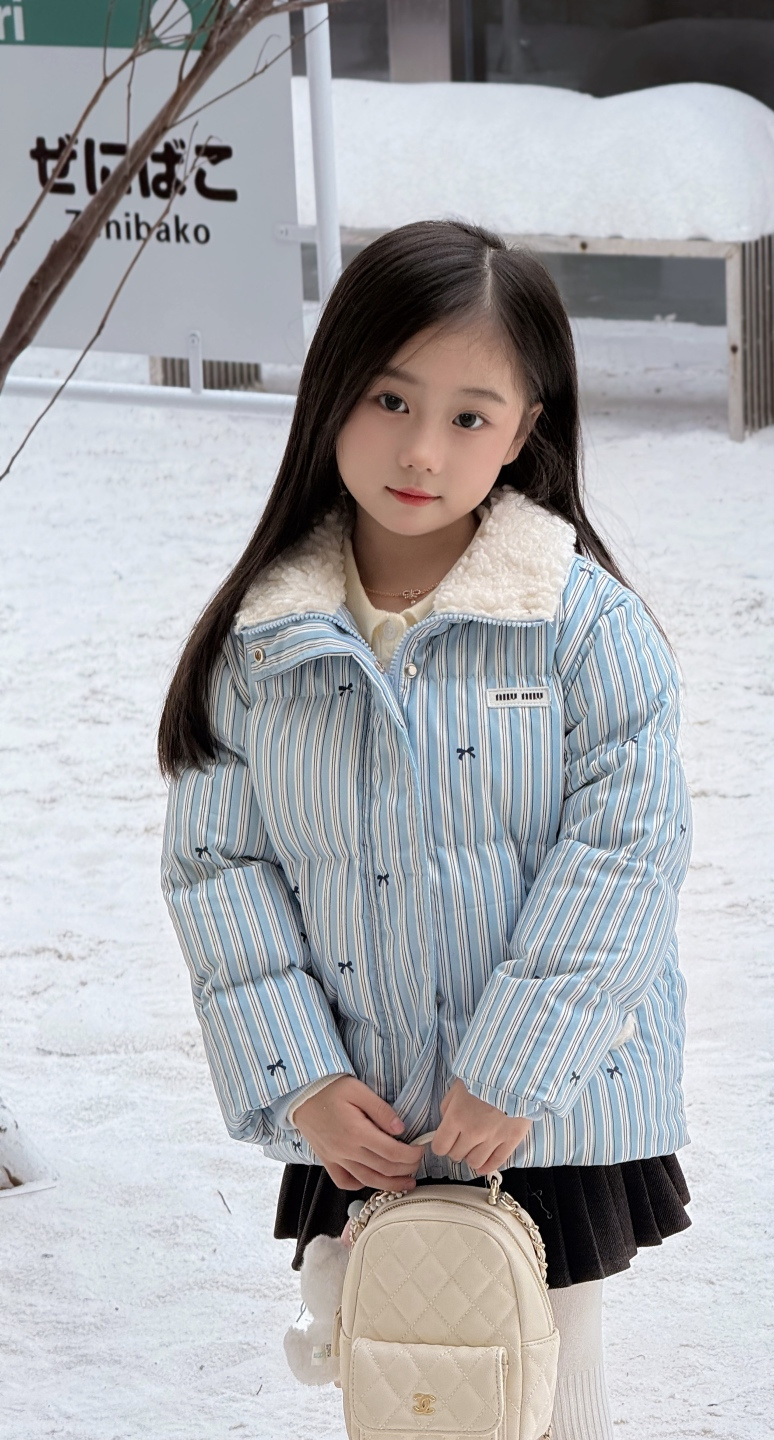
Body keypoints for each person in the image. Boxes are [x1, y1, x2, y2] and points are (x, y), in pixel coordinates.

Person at [158, 219, 693, 1440]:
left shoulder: (582, 630)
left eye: (469, 415)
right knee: (403, 1383)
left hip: (545, 1116)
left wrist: (515, 1072)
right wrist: (302, 1077)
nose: (420, 449)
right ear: (333, 390)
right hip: (366, 1118)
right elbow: (218, 869)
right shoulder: (264, 642)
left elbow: (626, 855)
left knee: (546, 1386)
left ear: (524, 428)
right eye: (391, 398)